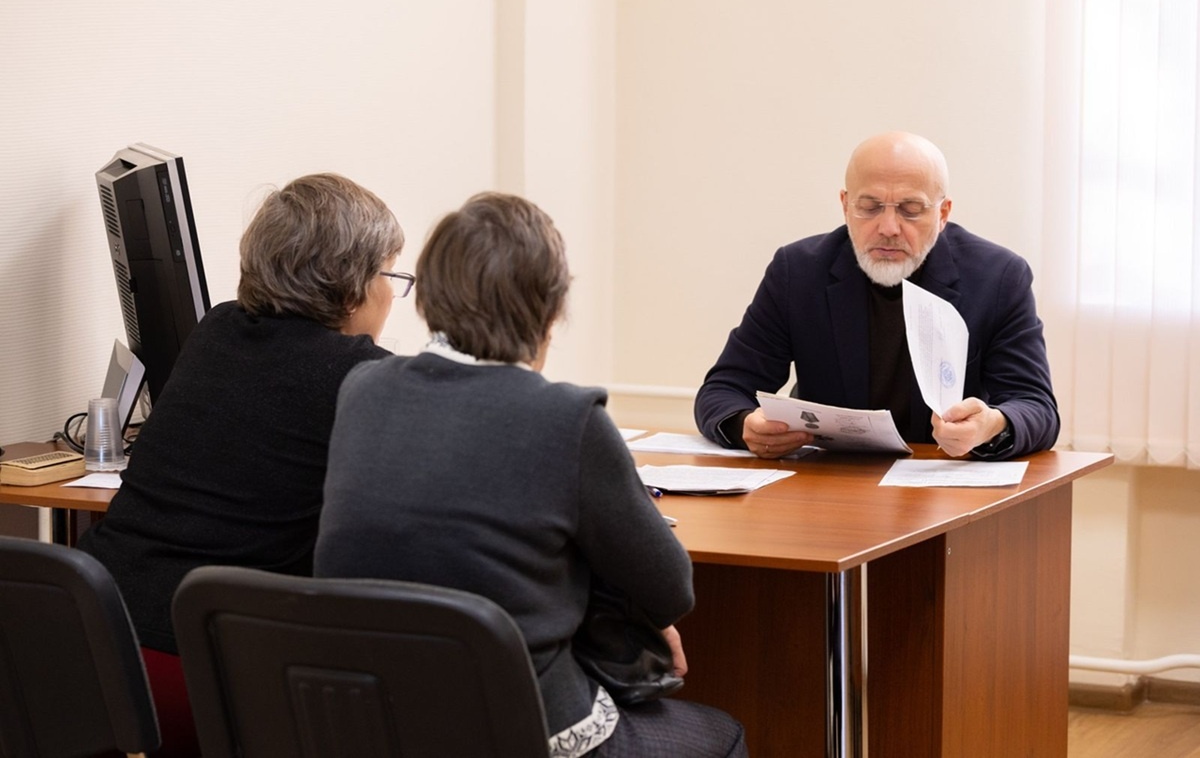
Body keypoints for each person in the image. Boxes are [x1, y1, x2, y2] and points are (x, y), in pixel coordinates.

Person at [316, 192, 748, 758]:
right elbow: (669, 587)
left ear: (431, 296)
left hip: (381, 721)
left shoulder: (363, 389)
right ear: (549, 308)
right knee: (722, 734)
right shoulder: (566, 417)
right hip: (524, 727)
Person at [78, 172, 407, 757]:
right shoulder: (362, 378)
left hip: (91, 646)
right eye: (391, 276)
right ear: (351, 284)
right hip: (202, 671)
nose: (391, 296)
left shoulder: (216, 329)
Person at [695, 131, 1060, 460]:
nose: (888, 228)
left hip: (943, 483)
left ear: (943, 213)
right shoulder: (798, 271)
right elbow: (723, 390)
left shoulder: (998, 277)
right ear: (845, 205)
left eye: (911, 210)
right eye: (869, 208)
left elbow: (1036, 407)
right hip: (827, 484)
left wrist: (993, 425)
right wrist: (744, 425)